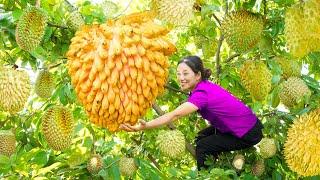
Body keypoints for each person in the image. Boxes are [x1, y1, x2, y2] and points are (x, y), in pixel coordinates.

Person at [120, 55, 263, 170]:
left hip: (248, 133)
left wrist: (145, 126)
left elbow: (174, 115)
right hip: (245, 125)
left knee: (203, 146)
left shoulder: (202, 94)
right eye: (178, 74)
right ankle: (215, 166)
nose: (181, 78)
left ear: (198, 75)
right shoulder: (204, 87)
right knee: (201, 137)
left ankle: (208, 176)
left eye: (185, 73)